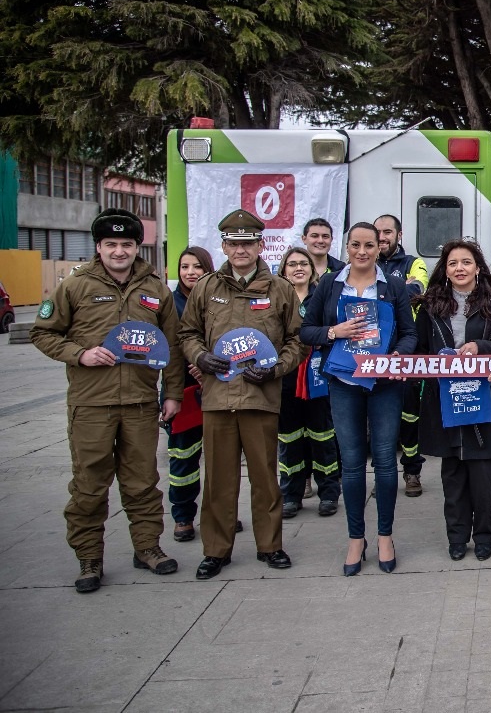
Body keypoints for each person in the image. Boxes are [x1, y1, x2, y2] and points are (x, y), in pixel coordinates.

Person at [32, 208, 185, 593]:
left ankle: (148, 548)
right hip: (91, 403)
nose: (119, 251)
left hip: (139, 402)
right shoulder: (75, 286)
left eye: (127, 244)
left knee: (142, 482)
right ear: (98, 247)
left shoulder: (155, 289)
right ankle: (89, 558)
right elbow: (43, 333)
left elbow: (174, 348)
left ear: (138, 247)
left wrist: (172, 395)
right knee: (89, 485)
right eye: (111, 244)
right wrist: (79, 353)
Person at [177, 209, 306, 580]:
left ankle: (270, 545)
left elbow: (296, 340)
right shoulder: (206, 288)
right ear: (224, 245)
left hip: (260, 397)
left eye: (247, 243)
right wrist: (201, 357)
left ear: (260, 245)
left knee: (266, 477)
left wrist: (276, 368)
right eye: (233, 244)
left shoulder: (279, 288)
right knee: (219, 478)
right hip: (217, 398)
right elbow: (187, 334)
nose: (240, 250)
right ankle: (216, 550)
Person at [300, 222, 416, 575]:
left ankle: (384, 535)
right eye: (356, 245)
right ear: (346, 247)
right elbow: (306, 330)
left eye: (370, 245)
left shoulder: (393, 285)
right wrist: (335, 331)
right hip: (343, 381)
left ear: (380, 248)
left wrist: (397, 355)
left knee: (383, 460)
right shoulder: (328, 285)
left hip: (383, 383)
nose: (363, 251)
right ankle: (355, 538)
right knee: (350, 462)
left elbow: (409, 333)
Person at [415, 240, 491, 561]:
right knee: (453, 477)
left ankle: (484, 534)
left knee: (485, 478)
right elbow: (419, 351)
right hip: (445, 402)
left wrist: (480, 346)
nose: (460, 268)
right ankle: (457, 537)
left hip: (485, 401)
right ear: (445, 270)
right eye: (453, 263)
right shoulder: (431, 307)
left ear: (478, 267)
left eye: (466, 262)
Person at [276, 247, 340, 519]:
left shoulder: (322, 296)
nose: (298, 268)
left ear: (313, 270)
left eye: (303, 263)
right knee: (289, 439)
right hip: (285, 378)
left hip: (318, 376)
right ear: (283, 270)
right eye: (292, 264)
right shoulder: (274, 296)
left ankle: (328, 492)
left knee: (323, 436)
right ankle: (291, 494)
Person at [372, 213, 430, 498]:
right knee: (377, 417)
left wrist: (384, 293)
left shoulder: (413, 263)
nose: (382, 237)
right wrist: (398, 290)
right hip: (371, 351)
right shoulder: (363, 263)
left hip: (407, 348)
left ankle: (412, 470)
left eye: (387, 232)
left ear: (399, 235)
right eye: (377, 232)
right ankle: (382, 474)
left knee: (409, 415)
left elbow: (416, 289)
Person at [167, 245, 214, 543]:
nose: (191, 273)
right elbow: (168, 349)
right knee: (183, 456)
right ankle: (183, 516)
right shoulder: (168, 304)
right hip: (183, 390)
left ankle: (220, 514)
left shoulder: (218, 300)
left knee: (221, 457)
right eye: (185, 267)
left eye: (197, 267)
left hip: (217, 387)